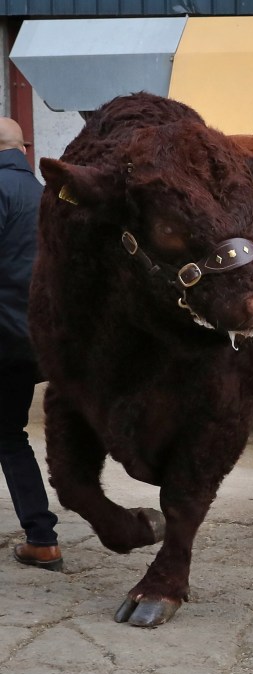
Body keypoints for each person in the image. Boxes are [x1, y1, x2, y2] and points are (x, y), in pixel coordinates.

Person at [0, 117, 62, 572]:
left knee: (7, 435)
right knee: (8, 434)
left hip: (2, 339)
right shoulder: (50, 196)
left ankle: (42, 537)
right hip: (36, 339)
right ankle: (41, 538)